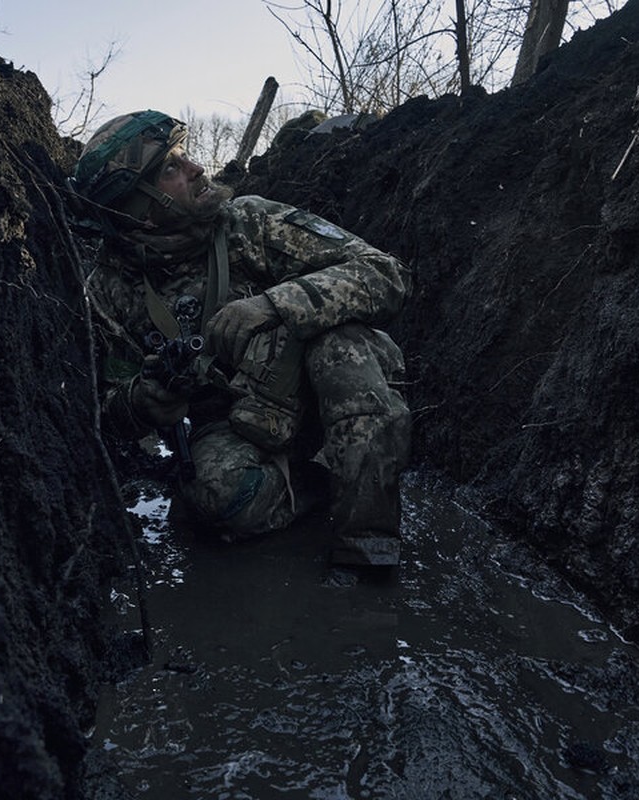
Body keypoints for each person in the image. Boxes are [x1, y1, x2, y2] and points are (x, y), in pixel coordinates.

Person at [69, 110, 412, 574]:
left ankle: (369, 546)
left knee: (340, 349)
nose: (196, 169)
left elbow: (383, 272)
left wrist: (276, 304)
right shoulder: (109, 290)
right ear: (139, 212)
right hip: (238, 423)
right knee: (214, 500)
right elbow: (99, 411)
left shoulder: (248, 223)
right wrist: (143, 402)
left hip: (326, 387)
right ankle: (324, 482)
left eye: (183, 155)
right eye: (170, 168)